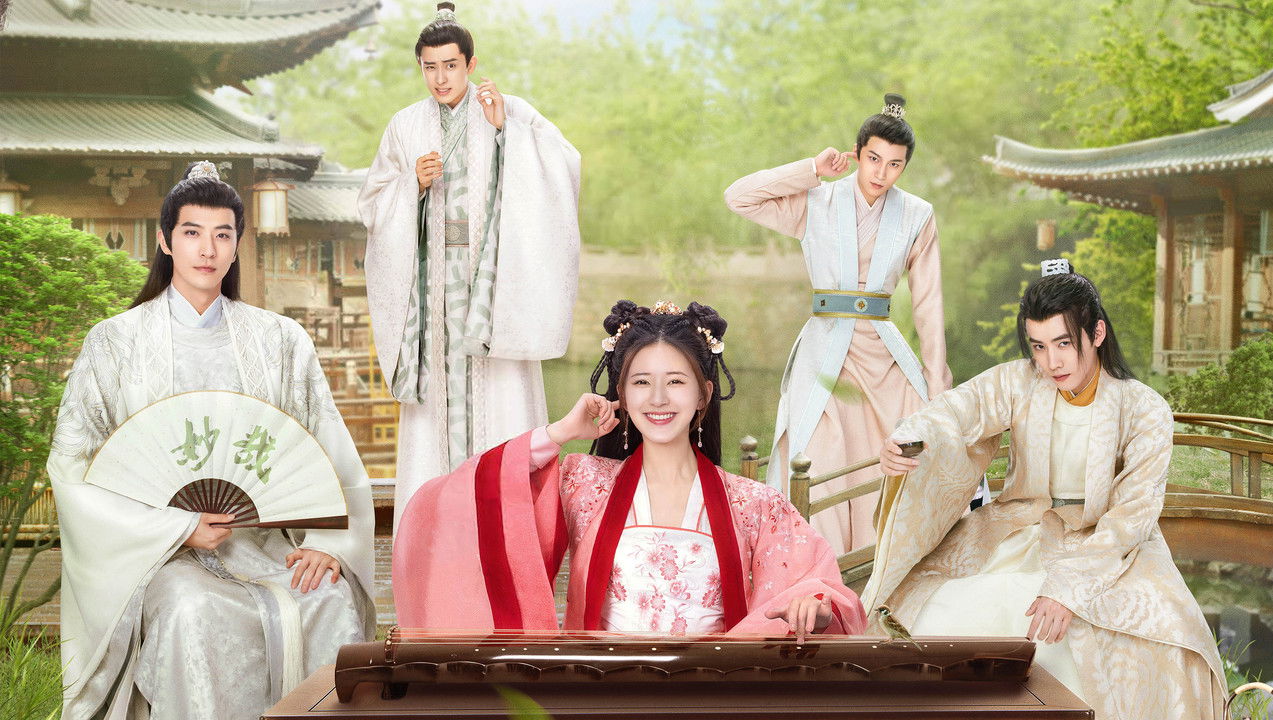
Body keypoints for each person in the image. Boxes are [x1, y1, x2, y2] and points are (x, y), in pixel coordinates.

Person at [48, 163, 375, 720]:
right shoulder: (115, 343)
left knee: (327, 598)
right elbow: (72, 468)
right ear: (165, 241)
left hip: (267, 544)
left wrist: (331, 543)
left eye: (223, 234)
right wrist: (176, 527)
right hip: (159, 554)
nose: (208, 249)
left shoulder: (280, 340)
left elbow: (328, 449)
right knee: (192, 609)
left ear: (237, 244)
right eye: (192, 233)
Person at [866, 263, 1225, 719]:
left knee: (1161, 631)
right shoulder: (1018, 382)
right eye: (1038, 346)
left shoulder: (1144, 409)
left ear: (1096, 333)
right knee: (935, 610)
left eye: (1063, 344)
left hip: (1108, 543)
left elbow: (1132, 515)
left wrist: (1067, 588)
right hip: (1018, 525)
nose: (1051, 362)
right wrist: (909, 439)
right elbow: (957, 411)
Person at [393, 300, 867, 638]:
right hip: (603, 697)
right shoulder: (583, 482)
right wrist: (559, 432)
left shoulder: (754, 503)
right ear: (622, 390)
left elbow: (820, 586)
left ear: (703, 394)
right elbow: (467, 503)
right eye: (641, 382)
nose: (658, 400)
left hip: (713, 697)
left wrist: (814, 609)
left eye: (675, 382)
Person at [358, 2, 581, 529]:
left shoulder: (508, 109)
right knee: (435, 415)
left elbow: (564, 166)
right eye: (430, 67)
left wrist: (507, 135)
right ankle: (434, 530)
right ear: (421, 68)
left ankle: (507, 530)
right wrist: (410, 184)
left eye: (451, 65)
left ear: (471, 63)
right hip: (432, 298)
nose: (441, 77)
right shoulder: (404, 125)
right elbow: (370, 204)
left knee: (499, 403)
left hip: (492, 296)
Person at [723, 93, 952, 554]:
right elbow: (738, 197)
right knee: (818, 455)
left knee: (897, 449)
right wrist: (811, 168)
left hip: (883, 352)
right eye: (872, 158)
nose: (880, 173)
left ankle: (885, 565)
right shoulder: (817, 201)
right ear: (857, 153)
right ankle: (822, 569)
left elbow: (928, 302)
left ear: (904, 167)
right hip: (826, 347)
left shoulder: (916, 214)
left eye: (894, 164)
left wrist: (937, 375)